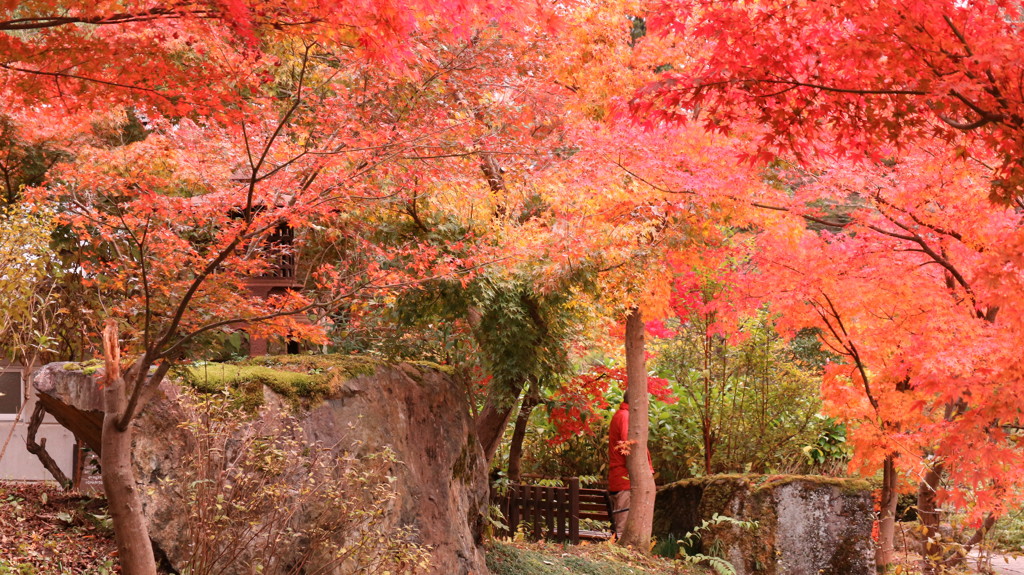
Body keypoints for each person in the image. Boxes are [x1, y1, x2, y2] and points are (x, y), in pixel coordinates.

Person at [607, 400, 653, 538]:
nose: (648, 403)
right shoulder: (626, 417)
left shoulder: (622, 415)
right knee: (623, 526)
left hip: (621, 478)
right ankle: (620, 556)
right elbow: (630, 447)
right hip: (626, 480)